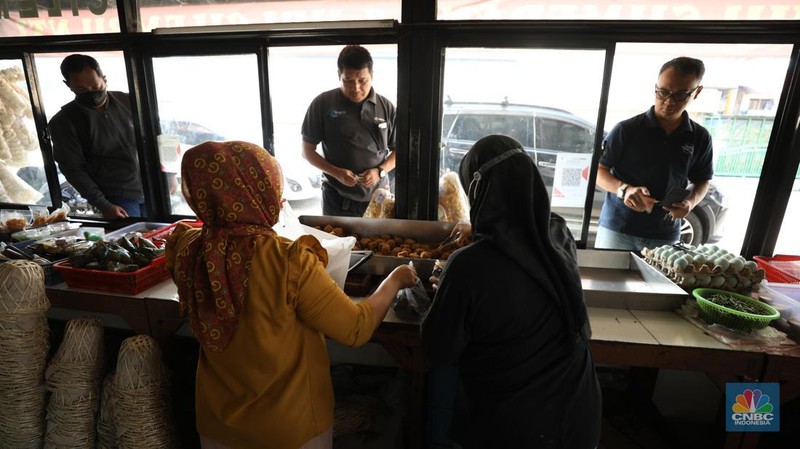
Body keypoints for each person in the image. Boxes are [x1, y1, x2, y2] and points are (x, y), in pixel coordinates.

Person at [165, 140, 417, 449]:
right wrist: (395, 279)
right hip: (289, 428)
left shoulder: (186, 248)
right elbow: (356, 328)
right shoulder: (288, 260)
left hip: (217, 427)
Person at [421, 134, 602, 449]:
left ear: (479, 193)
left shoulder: (467, 266)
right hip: (578, 416)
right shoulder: (558, 235)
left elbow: (439, 350)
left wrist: (444, 294)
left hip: (513, 427)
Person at [596, 56, 713, 252]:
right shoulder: (627, 129)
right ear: (655, 87)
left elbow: (702, 180)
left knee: (658, 283)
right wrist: (624, 189)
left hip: (665, 234)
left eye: (680, 95)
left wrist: (690, 202)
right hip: (618, 229)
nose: (668, 101)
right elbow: (599, 171)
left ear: (697, 92)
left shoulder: (700, 137)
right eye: (662, 92)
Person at [301, 45, 397, 217]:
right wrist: (336, 173)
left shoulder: (386, 107)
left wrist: (380, 171)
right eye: (348, 80)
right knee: (335, 243)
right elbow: (307, 151)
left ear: (372, 76)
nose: (356, 88)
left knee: (379, 243)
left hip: (378, 197)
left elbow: (400, 151)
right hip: (336, 198)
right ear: (339, 76)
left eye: (362, 80)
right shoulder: (322, 104)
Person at [48, 54, 145, 219]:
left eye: (95, 86)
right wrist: (104, 205)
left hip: (153, 188)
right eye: (81, 89)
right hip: (118, 198)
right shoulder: (64, 122)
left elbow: (157, 138)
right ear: (68, 85)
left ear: (105, 79)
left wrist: (168, 175)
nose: (91, 93)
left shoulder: (129, 101)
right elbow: (73, 170)